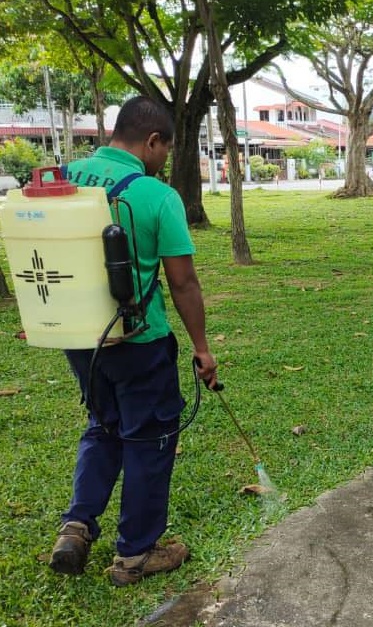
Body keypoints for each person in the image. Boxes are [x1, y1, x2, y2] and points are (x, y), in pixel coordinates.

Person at [48, 96, 218, 586]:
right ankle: (136, 554)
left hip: (80, 340)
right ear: (151, 141)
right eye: (165, 148)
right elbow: (183, 283)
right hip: (140, 342)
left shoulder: (60, 179)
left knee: (103, 425)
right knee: (150, 437)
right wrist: (203, 348)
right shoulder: (155, 195)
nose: (164, 159)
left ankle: (77, 526)